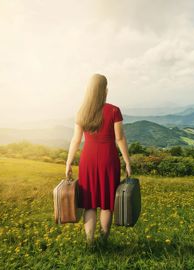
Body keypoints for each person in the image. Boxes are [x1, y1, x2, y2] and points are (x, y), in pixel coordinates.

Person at [65, 73, 132, 248]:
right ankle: (103, 241)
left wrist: (68, 162)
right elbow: (120, 138)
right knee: (107, 204)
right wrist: (127, 162)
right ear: (105, 90)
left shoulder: (82, 112)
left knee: (89, 204)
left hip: (87, 160)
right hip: (108, 160)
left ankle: (89, 243)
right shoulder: (114, 110)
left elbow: (75, 140)